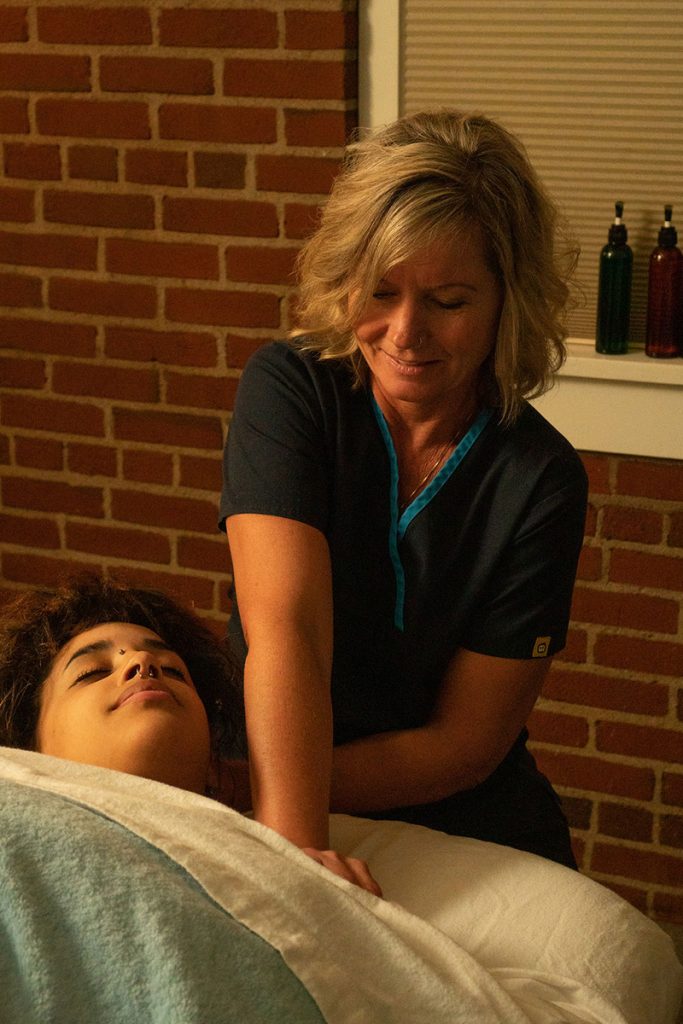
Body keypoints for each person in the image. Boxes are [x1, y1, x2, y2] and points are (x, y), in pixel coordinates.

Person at [220, 109, 588, 876]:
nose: (405, 332)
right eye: (379, 292)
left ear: (505, 303)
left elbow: (463, 747)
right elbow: (287, 627)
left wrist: (252, 792)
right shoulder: (292, 392)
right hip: (282, 797)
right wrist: (292, 845)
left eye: (449, 301)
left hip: (462, 820)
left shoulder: (538, 477)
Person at [0, 571, 381, 893]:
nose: (142, 661)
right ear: (30, 753)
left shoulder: (300, 881)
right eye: (93, 672)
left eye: (174, 670)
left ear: (214, 765)